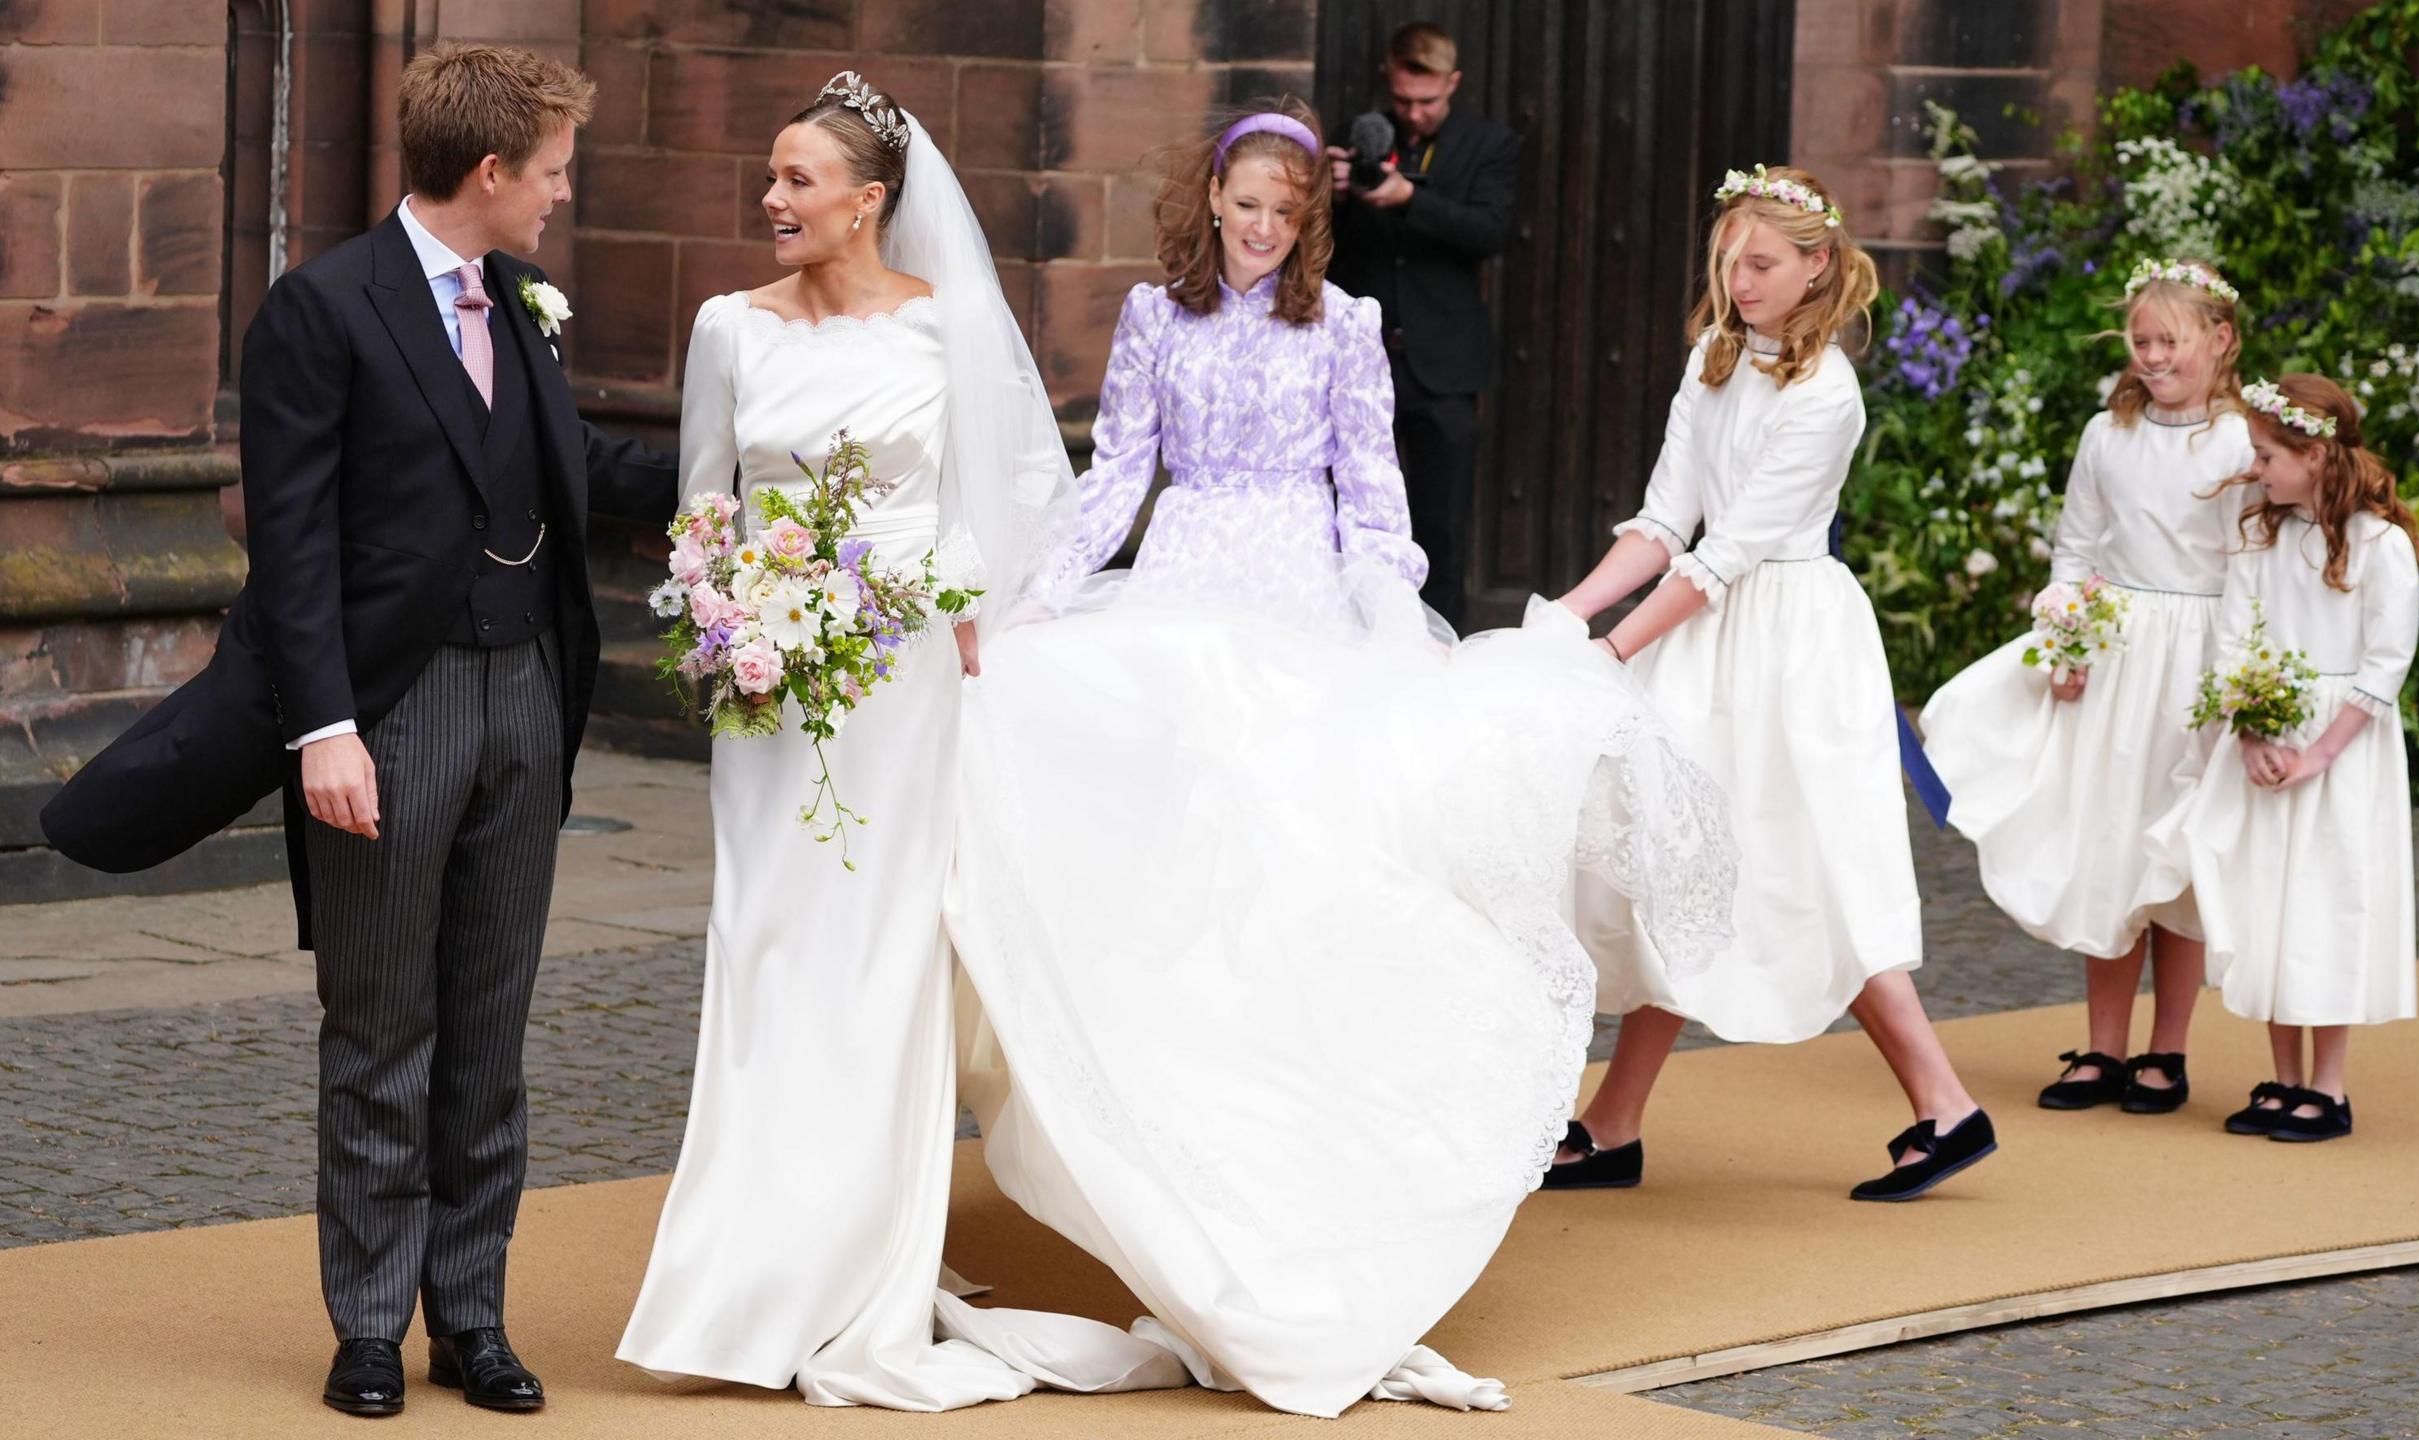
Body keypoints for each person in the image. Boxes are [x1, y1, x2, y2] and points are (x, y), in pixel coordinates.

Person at [941, 101, 1736, 1417]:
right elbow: (1118, 472)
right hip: (1176, 588)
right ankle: (1166, 1136)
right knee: (1165, 852)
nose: (1259, 230)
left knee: (1300, 856)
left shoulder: (1347, 329)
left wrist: (1392, 631)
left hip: (1298, 596)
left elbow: (1373, 493)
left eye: (1285, 213)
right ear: (1209, 200)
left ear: (1313, 223)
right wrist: (1043, 592)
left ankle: (1299, 1157)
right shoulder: (1155, 317)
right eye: (1243, 206)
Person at [40, 42, 679, 1417]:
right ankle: (370, 1327)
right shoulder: (323, 309)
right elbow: (296, 548)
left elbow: (576, 468)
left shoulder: (522, 304)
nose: (566, 195)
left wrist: (774, 445)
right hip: (390, 713)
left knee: (491, 1031)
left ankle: (475, 1321)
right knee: (382, 1031)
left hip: (530, 704)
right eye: (556, 171)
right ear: (494, 170)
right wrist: (325, 728)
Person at [616, 77, 1192, 1410]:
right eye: (769, 178)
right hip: (770, 696)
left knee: (879, 967)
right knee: (763, 957)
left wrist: (946, 599)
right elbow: (705, 510)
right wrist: (730, 612)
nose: (773, 199)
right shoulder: (726, 330)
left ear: (871, 201)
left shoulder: (944, 333)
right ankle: (747, 1275)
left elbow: (1015, 494)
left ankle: (859, 1266)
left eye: (799, 181)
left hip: (903, 680)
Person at [1542, 165, 1996, 1203]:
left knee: (1807, 864)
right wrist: (1567, 617)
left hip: (1789, 639)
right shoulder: (1711, 359)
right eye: (1727, 264)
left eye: (1759, 265)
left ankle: (1945, 1103)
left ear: (1816, 265)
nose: (1738, 282)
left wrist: (1610, 653)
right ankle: (1614, 1122)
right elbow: (1664, 525)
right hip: (1703, 638)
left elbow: (1724, 555)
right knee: (1674, 853)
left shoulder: (1824, 393)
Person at [1919, 260, 2254, 1117]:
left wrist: (2241, 674)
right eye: (2140, 342)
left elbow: (2254, 565)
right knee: (2109, 842)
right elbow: (2077, 550)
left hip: (2200, 657)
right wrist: (2066, 637)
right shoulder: (2109, 434)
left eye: (2168, 342)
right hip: (2119, 656)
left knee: (2171, 854)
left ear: (2219, 341)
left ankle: (2166, 1051)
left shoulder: (2243, 443)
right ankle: (2104, 1047)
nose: (2150, 357)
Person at [2140, 374, 2419, 1143]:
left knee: (2327, 902)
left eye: (2268, 456)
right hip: (2269, 739)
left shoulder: (2381, 543)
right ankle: (2282, 1077)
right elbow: (2235, 637)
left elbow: (2385, 662)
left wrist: (2320, 755)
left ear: (2316, 453)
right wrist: (2255, 731)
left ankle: (2328, 1088)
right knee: (2268, 902)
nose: (2256, 469)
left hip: (2342, 754)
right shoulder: (2262, 535)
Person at [1326, 21, 1521, 627]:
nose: (1412, 115)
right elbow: (1315, 244)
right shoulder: (1354, 138)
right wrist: (1326, 194)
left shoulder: (1489, 145)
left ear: (1453, 83)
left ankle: (1444, 648)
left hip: (1445, 366)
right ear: (1388, 79)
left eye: (1427, 102)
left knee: (1442, 525)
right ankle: (1355, 636)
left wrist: (1411, 200)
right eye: (1404, 100)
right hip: (1361, 364)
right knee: (1352, 519)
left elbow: (1489, 233)